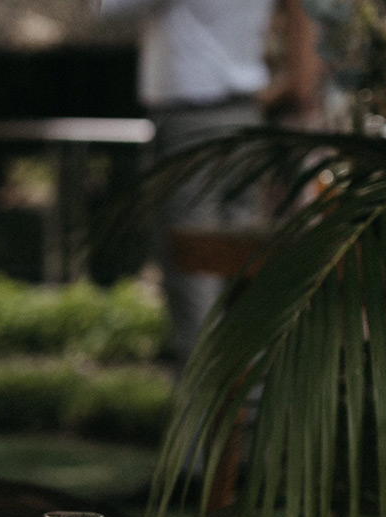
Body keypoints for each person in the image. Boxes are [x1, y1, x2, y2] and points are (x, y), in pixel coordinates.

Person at [100, 0, 279, 369]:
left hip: (193, 120)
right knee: (242, 273)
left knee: (195, 274)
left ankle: (204, 419)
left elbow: (111, 9)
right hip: (246, 115)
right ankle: (250, 414)